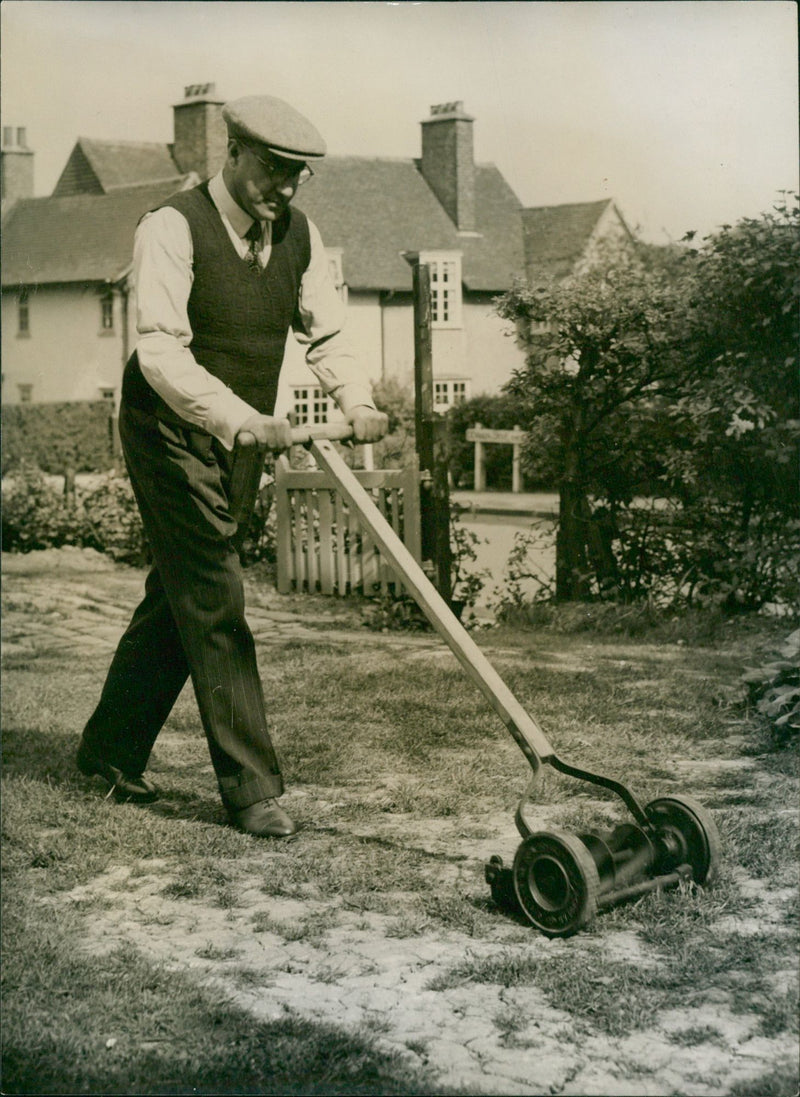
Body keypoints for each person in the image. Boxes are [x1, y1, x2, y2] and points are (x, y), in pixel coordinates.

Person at [77, 94, 388, 837]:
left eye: (297, 177)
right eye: (274, 172)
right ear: (235, 153)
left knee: (181, 590)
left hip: (241, 437)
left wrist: (359, 397)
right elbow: (158, 352)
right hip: (167, 427)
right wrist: (241, 419)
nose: (284, 189)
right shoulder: (172, 228)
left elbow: (330, 331)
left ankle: (108, 749)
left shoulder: (300, 238)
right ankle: (251, 787)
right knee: (215, 589)